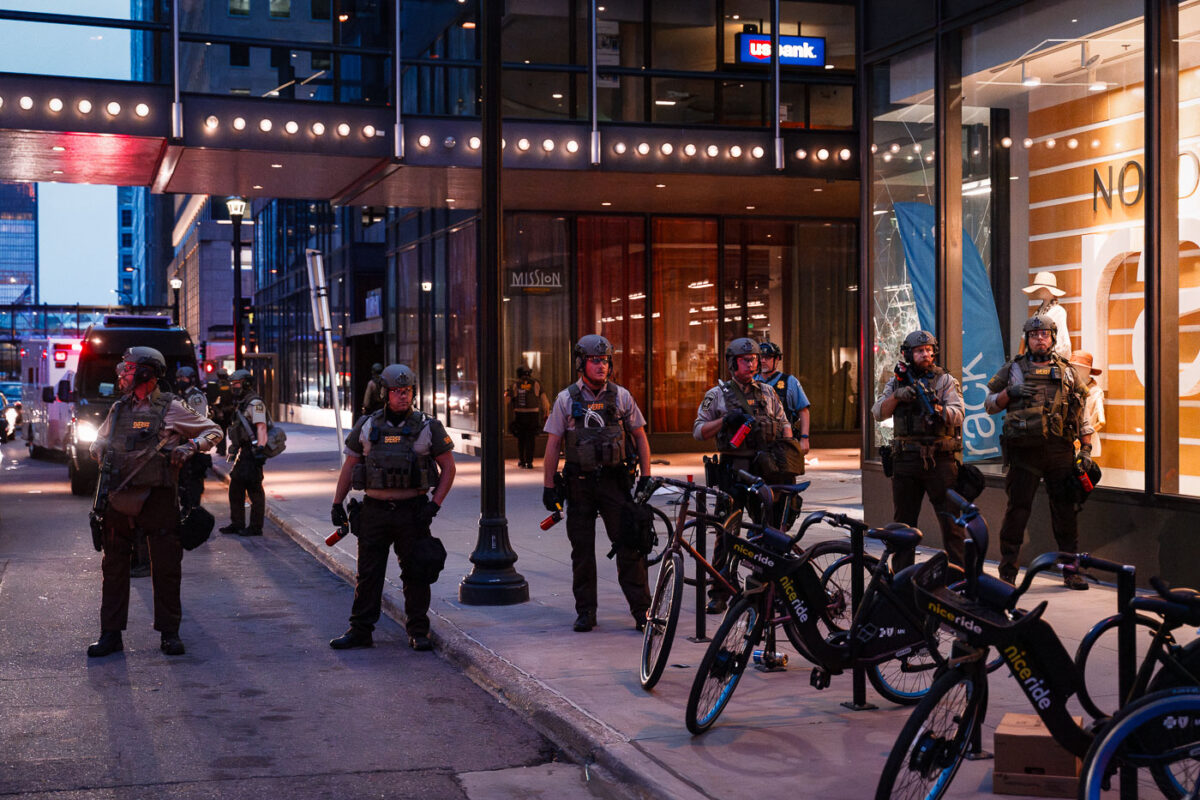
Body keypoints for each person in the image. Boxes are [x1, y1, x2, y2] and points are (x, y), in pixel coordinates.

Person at [85, 347, 222, 658]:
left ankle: (169, 633)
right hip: (120, 497)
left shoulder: (172, 407)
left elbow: (214, 431)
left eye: (128, 368)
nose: (121, 374)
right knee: (114, 566)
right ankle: (110, 635)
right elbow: (99, 438)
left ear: (146, 373)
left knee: (166, 566)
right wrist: (98, 446)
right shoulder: (118, 409)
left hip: (158, 496)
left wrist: (191, 447)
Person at [329, 364, 455, 651]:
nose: (403, 396)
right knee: (368, 574)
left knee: (416, 573)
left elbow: (448, 467)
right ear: (385, 393)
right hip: (374, 511)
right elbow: (350, 467)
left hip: (412, 511)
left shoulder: (428, 426)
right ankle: (360, 630)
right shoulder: (368, 425)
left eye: (408, 391)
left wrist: (434, 505)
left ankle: (419, 632)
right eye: (397, 392)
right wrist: (337, 503)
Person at [542, 334, 652, 633]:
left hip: (615, 482)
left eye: (604, 361)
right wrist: (549, 486)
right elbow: (553, 445)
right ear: (581, 363)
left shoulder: (621, 396)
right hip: (579, 483)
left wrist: (646, 477)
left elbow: (640, 437)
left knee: (629, 547)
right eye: (595, 361)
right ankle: (586, 612)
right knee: (582, 552)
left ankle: (643, 612)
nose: (601, 366)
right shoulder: (566, 399)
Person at [985, 315, 1094, 589]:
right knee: (1017, 513)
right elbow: (989, 405)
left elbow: (1081, 413)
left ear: (1052, 338)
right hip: (1024, 452)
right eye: (1034, 335)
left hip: (1060, 451)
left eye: (1044, 334)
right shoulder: (1012, 370)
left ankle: (1071, 571)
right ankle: (1007, 573)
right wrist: (1010, 392)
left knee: (1066, 513)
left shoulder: (1068, 371)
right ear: (1028, 339)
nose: (1040, 339)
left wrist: (1087, 448)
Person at [693, 337, 793, 613]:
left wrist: (786, 455)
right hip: (733, 470)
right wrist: (724, 421)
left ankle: (765, 589)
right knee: (726, 532)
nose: (753, 363)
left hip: (765, 470)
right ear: (731, 363)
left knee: (768, 532)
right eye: (746, 359)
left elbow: (785, 425)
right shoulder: (718, 394)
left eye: (755, 359)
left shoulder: (768, 392)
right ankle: (719, 591)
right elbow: (699, 431)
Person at [871, 330, 966, 569]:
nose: (925, 354)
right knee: (903, 524)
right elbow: (878, 412)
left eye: (928, 350)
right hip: (906, 460)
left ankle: (960, 577)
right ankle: (902, 577)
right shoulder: (897, 381)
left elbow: (959, 414)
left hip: (940, 461)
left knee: (952, 524)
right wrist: (897, 396)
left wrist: (939, 410)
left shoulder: (944, 380)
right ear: (908, 354)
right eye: (919, 351)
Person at [219, 369, 268, 537]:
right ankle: (238, 523)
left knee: (254, 489)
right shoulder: (243, 401)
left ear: (246, 383)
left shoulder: (255, 403)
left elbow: (261, 426)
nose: (234, 387)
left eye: (236, 383)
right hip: (244, 451)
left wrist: (260, 449)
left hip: (252, 451)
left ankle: (255, 527)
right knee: (236, 487)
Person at [756, 340, 812, 458]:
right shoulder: (751, 381)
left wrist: (804, 438)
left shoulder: (789, 381)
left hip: (783, 440)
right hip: (756, 440)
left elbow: (804, 410)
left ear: (777, 359)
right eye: (760, 357)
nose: (763, 361)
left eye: (767, 357)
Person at [175, 366, 211, 513]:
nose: (180, 381)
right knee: (183, 480)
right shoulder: (182, 395)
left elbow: (198, 422)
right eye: (179, 379)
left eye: (183, 378)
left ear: (191, 379)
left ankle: (192, 510)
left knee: (192, 480)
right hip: (184, 442)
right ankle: (187, 509)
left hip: (193, 444)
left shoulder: (195, 397)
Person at [506, 364, 549, 469]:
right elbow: (544, 400)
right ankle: (529, 461)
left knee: (521, 438)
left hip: (520, 414)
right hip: (533, 414)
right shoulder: (536, 383)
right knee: (531, 438)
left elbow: (508, 401)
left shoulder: (516, 385)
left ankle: (522, 460)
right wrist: (546, 412)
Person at [1023, 272, 1071, 359]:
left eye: (1041, 288)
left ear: (1049, 290)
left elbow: (1064, 343)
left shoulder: (1058, 311)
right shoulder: (1037, 313)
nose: (1038, 291)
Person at [1070, 350, 1106, 458]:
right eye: (1072, 367)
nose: (1073, 371)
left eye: (1076, 367)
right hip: (1071, 443)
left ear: (1087, 370)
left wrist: (1085, 435)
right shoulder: (1070, 388)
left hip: (1088, 442)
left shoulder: (1096, 392)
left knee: (1086, 472)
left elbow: (1101, 421)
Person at [207, 368, 234, 456]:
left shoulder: (214, 384)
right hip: (228, 412)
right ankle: (225, 449)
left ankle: (221, 449)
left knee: (219, 431)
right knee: (228, 431)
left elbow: (210, 398)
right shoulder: (230, 385)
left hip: (218, 412)